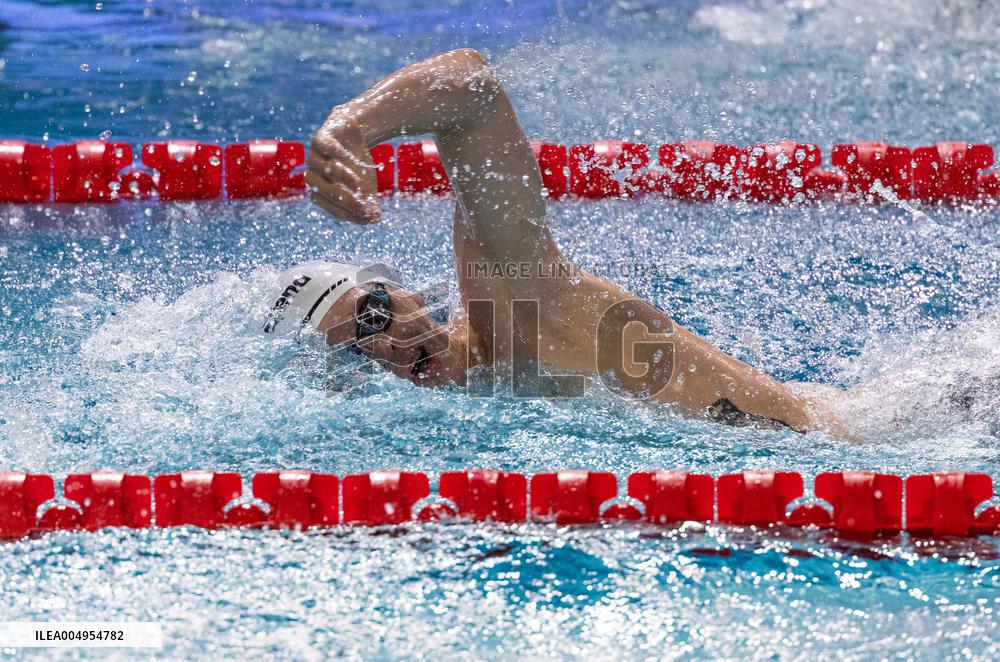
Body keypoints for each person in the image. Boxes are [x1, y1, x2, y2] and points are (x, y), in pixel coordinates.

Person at [264, 48, 843, 435]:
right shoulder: (473, 410)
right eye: (354, 352)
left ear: (406, 293)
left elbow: (473, 89)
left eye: (373, 315)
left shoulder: (518, 306)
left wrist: (351, 123)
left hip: (850, 443)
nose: (386, 345)